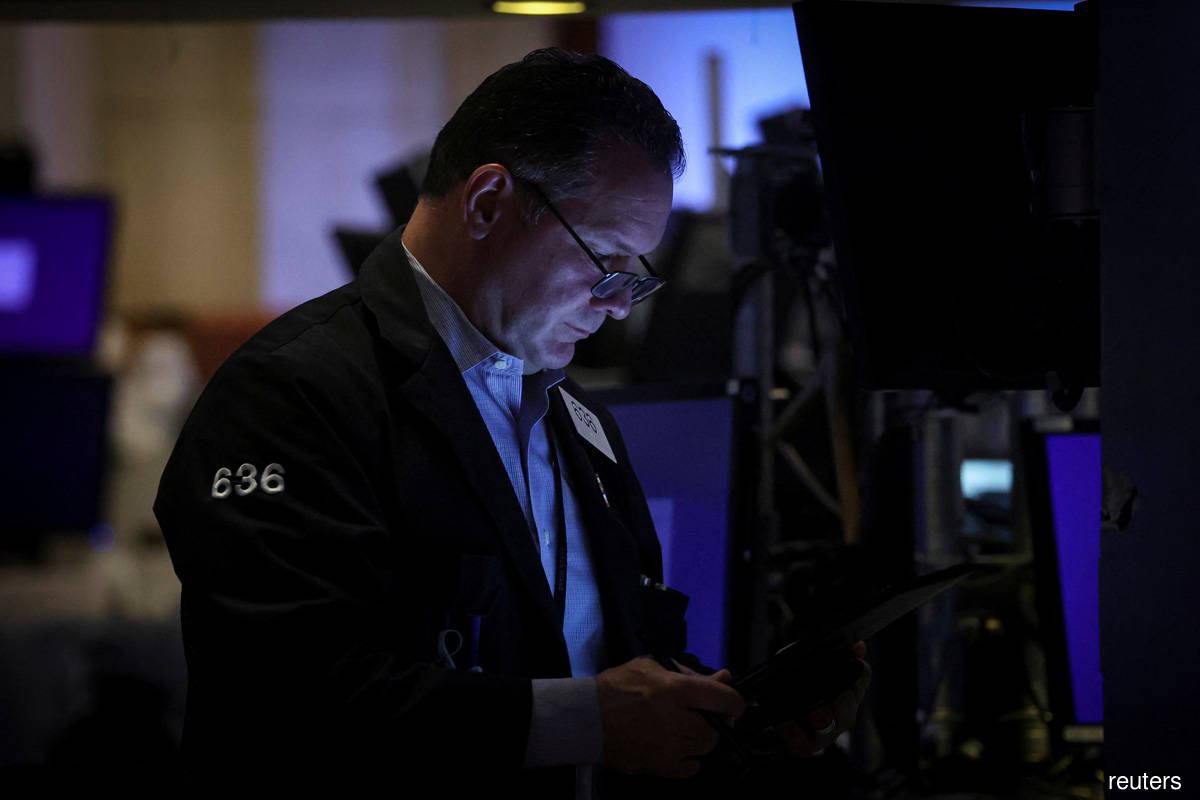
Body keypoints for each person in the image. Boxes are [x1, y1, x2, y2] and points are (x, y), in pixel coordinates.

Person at [154, 48, 866, 797]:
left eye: (635, 276)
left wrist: (735, 719)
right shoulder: (291, 394)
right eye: (606, 259)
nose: (618, 307)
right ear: (488, 202)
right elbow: (289, 699)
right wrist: (587, 722)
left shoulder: (577, 417)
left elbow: (616, 667)